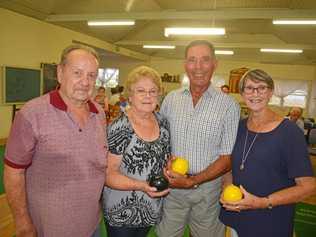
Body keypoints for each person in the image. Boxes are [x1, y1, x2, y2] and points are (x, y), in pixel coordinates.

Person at [3, 44, 108, 237]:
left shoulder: (99, 113)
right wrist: (23, 223)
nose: (85, 82)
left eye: (91, 75)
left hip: (92, 224)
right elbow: (13, 173)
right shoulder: (32, 113)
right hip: (50, 228)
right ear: (60, 73)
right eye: (77, 73)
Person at [156, 40, 240, 237]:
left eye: (205, 60)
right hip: (172, 188)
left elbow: (227, 158)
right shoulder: (171, 99)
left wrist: (193, 181)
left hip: (208, 191)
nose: (198, 67)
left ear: (215, 64)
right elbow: (161, 141)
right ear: (185, 65)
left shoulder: (229, 106)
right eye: (192, 60)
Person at [219, 69, 316, 237]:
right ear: (242, 93)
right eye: (249, 88)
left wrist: (263, 202)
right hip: (235, 219)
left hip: (271, 222)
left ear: (270, 92)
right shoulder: (237, 127)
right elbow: (229, 168)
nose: (255, 93)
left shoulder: (290, 132)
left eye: (261, 87)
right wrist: (227, 186)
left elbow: (308, 186)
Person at [102, 65, 171, 237]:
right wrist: (142, 186)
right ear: (130, 96)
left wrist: (170, 167)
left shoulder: (162, 122)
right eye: (141, 91)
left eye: (153, 91)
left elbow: (163, 158)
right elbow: (109, 175)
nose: (148, 96)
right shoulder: (120, 127)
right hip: (122, 212)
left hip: (151, 208)